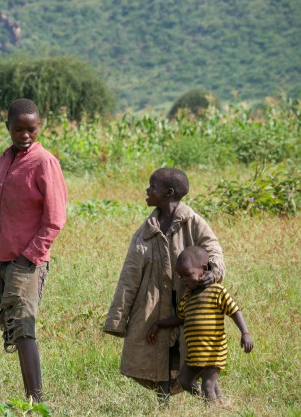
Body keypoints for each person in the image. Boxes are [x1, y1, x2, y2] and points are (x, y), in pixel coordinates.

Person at [103, 167, 226, 400]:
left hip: (192, 307)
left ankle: (213, 401)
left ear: (168, 193)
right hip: (153, 308)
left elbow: (213, 250)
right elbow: (129, 277)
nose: (147, 190)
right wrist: (117, 319)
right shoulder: (146, 230)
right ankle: (164, 406)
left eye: (152, 187)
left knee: (197, 357)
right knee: (158, 360)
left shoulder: (193, 222)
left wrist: (213, 271)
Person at [0, 98, 67, 402]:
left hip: (27, 261)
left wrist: (28, 256)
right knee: (14, 327)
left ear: (39, 127)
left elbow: (55, 219)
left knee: (24, 328)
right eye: (18, 129)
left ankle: (36, 400)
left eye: (31, 129)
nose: (25, 135)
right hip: (5, 257)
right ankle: (31, 397)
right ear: (7, 126)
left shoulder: (45, 162)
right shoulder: (5, 159)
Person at [147, 246, 254, 404]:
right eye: (181, 277)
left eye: (187, 275)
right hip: (195, 355)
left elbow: (235, 311)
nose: (184, 280)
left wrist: (245, 333)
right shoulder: (188, 298)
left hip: (213, 353)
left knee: (208, 386)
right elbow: (178, 318)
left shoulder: (217, 291)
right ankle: (216, 404)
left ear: (203, 269)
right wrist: (159, 324)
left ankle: (211, 410)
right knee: (183, 382)